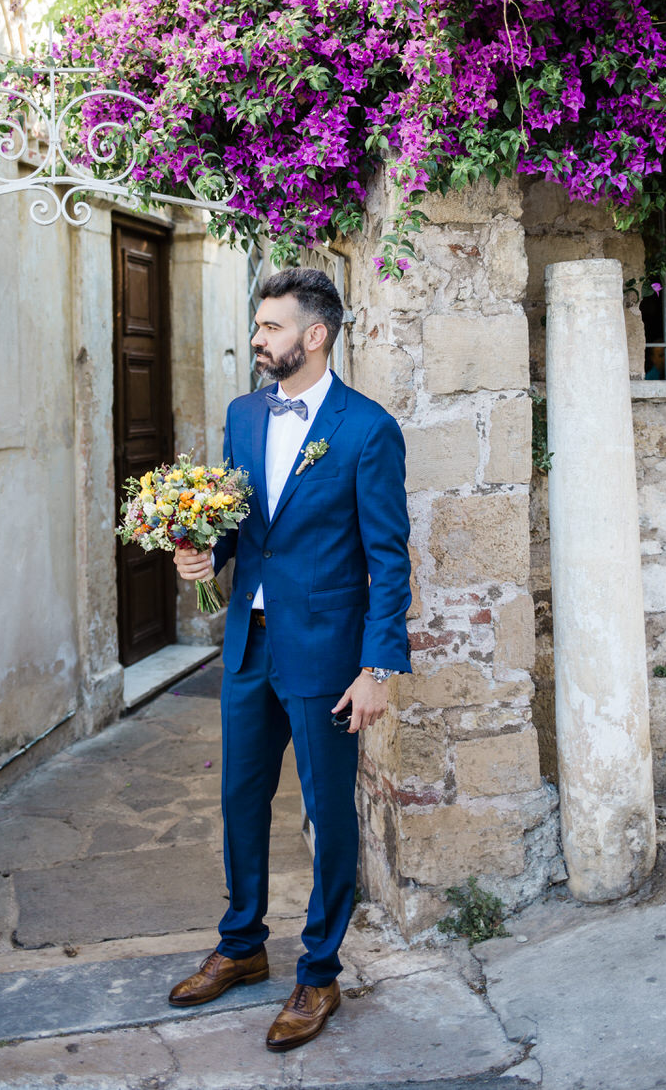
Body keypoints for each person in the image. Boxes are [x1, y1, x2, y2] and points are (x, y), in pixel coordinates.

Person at [168, 267, 412, 1051]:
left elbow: (389, 557)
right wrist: (207, 551)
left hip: (326, 653)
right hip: (248, 643)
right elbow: (245, 524)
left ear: (314, 335)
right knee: (240, 798)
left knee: (328, 810)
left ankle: (319, 972)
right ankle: (240, 948)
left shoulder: (368, 430)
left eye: (270, 327)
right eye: (258, 325)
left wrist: (375, 669)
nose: (257, 338)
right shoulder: (244, 415)